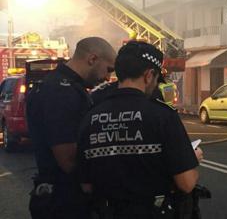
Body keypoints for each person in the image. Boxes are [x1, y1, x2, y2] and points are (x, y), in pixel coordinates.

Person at [77, 41, 203, 218]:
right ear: (149, 75)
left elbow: (86, 185)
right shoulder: (163, 116)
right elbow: (186, 183)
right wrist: (192, 158)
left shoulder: (90, 118)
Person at [26, 37, 116, 219]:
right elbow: (68, 160)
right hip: (65, 201)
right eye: (108, 69)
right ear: (92, 59)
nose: (108, 77)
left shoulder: (63, 86)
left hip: (59, 197)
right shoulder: (62, 93)